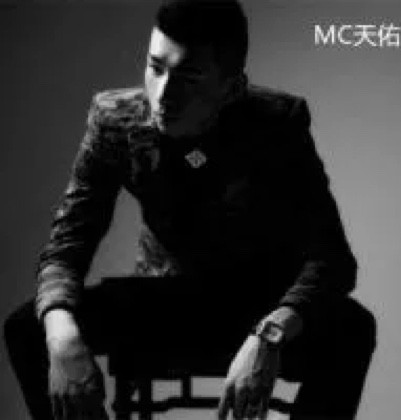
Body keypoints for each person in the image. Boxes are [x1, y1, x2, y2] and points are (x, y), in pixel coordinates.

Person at [4, 0, 377, 419]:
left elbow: (333, 259)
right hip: (161, 300)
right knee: (29, 328)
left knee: (353, 330)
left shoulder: (276, 123)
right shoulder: (115, 120)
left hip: (256, 300)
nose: (164, 94)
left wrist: (271, 334)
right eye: (155, 67)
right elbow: (67, 244)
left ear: (231, 88)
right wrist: (61, 337)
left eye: (190, 78)